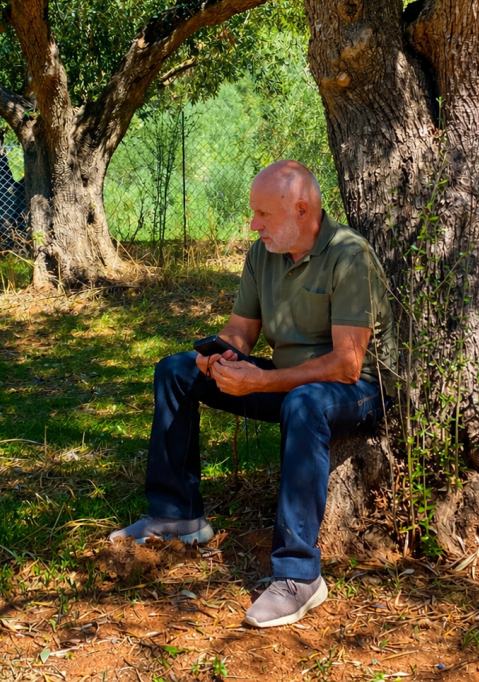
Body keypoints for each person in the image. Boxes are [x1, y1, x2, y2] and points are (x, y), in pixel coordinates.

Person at [109, 160, 394, 628]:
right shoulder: (263, 253)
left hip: (360, 390)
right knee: (176, 370)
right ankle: (176, 515)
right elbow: (241, 331)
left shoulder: (350, 255)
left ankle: (299, 577)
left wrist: (261, 381)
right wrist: (220, 356)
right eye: (253, 213)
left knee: (305, 403)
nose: (253, 223)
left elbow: (348, 364)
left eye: (262, 214)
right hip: (290, 381)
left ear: (301, 210)